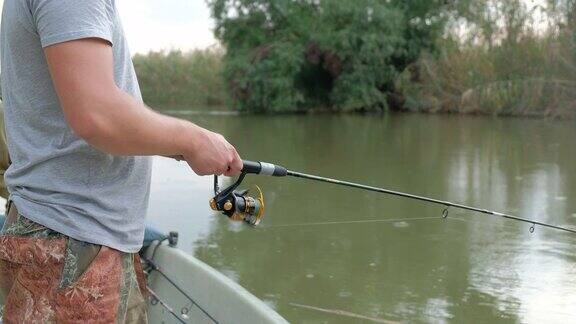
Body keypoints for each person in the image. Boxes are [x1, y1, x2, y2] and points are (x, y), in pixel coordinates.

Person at [0, 0, 243, 322]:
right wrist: (192, 139)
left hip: (70, 235)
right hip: (73, 240)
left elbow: (61, 113)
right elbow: (97, 116)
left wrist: (179, 147)